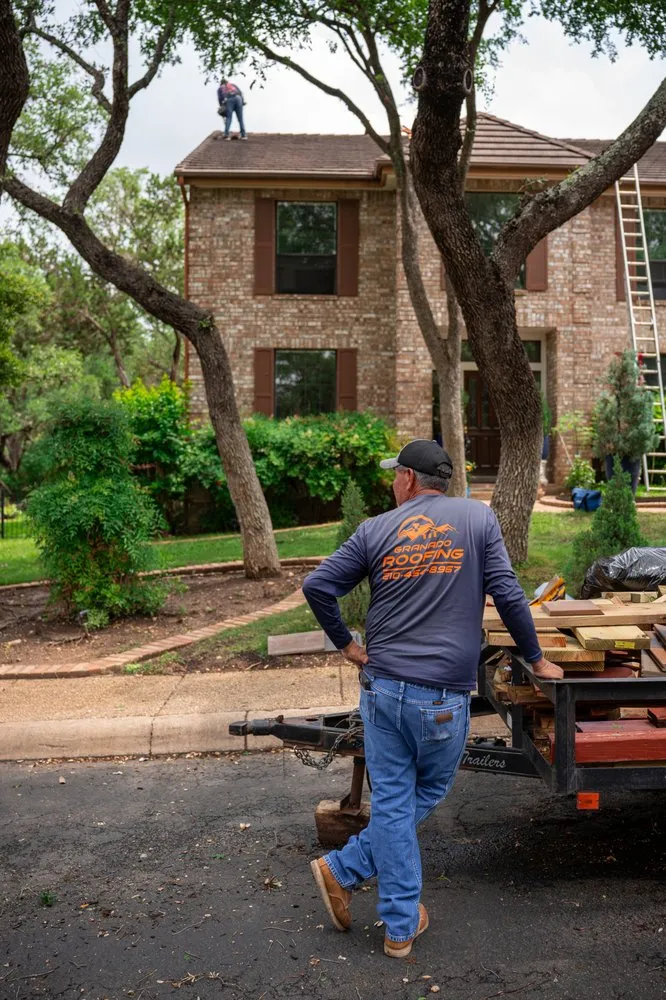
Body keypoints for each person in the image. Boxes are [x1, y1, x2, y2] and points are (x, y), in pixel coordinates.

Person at [302, 439, 563, 958]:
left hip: (382, 688)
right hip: (441, 696)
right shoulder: (478, 520)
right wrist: (535, 659)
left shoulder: (375, 529)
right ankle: (383, 910)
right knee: (428, 790)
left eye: (393, 476)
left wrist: (348, 645)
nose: (391, 484)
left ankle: (360, 884)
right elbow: (509, 594)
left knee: (395, 803)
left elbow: (317, 586)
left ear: (408, 480)